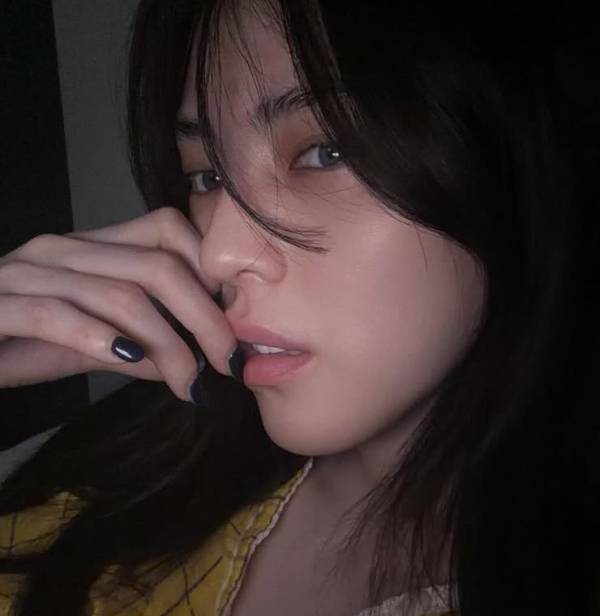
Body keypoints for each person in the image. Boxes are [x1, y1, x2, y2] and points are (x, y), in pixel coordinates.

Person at [0, 0, 598, 614]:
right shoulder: (145, 451)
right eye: (207, 176)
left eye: (324, 152)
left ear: (515, 153)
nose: (218, 254)